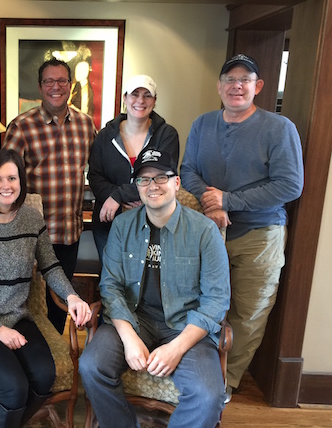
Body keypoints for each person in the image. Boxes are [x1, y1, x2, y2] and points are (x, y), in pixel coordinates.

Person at [180, 53, 304, 399]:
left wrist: (228, 201)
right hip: (207, 233)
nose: (237, 86)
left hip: (259, 235)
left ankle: (225, 381)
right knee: (201, 303)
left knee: (248, 311)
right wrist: (211, 200)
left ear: (258, 87)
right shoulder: (203, 123)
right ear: (219, 86)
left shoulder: (280, 129)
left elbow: (290, 186)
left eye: (245, 80)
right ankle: (198, 372)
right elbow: (187, 169)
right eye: (230, 79)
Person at [79, 147, 231, 428]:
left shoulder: (204, 231)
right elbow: (110, 286)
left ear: (176, 182)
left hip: (186, 326)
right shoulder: (123, 226)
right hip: (134, 318)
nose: (153, 186)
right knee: (91, 366)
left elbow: (216, 300)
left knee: (209, 395)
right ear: (136, 187)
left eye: (161, 177)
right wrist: (128, 337)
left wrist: (176, 348)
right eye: (144, 179)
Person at [0, 148, 91, 427]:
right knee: (15, 386)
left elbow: (50, 266)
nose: (6, 186)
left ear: (21, 181)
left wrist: (72, 296)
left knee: (44, 375)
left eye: (12, 178)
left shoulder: (32, 220)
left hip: (17, 317)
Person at [3, 58, 97, 334]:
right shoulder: (22, 126)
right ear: (40, 86)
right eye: (49, 81)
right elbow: (6, 182)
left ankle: (54, 348)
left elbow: (102, 167)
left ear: (70, 85)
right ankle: (27, 351)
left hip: (70, 231)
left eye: (62, 81)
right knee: (27, 301)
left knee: (60, 299)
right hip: (34, 234)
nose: (56, 87)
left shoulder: (85, 124)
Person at [88, 74, 179, 260]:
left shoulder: (166, 135)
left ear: (154, 101)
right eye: (134, 94)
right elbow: (95, 177)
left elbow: (163, 177)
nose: (140, 100)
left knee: (144, 281)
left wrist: (119, 195)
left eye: (147, 95)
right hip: (109, 223)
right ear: (125, 98)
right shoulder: (105, 136)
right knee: (111, 280)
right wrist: (115, 199)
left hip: (152, 222)